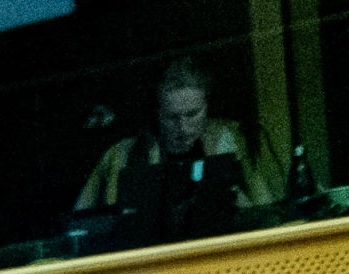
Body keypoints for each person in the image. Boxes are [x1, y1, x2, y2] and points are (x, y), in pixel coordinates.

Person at [77, 56, 282, 224]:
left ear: (207, 105)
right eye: (172, 117)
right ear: (157, 113)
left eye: (193, 114)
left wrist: (240, 207)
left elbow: (271, 216)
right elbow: (81, 221)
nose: (183, 128)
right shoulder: (123, 154)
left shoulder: (237, 140)